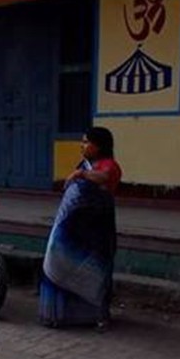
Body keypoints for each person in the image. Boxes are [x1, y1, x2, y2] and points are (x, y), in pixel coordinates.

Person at [39, 126, 122, 330]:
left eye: (87, 142)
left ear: (99, 145)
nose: (82, 146)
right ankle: (63, 315)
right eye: (82, 141)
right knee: (62, 264)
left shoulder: (109, 165)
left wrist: (81, 174)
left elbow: (103, 177)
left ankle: (98, 316)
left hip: (96, 229)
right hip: (72, 228)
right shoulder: (86, 166)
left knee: (96, 271)